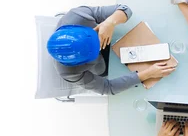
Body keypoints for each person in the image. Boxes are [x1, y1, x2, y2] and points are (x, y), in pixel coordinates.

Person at [47, 5, 175, 95]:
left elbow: (125, 9)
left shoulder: (78, 16)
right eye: (95, 50)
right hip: (106, 66)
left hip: (115, 34)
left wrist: (110, 22)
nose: (100, 46)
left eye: (96, 40)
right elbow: (107, 88)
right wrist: (148, 74)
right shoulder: (68, 72)